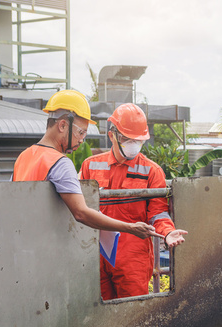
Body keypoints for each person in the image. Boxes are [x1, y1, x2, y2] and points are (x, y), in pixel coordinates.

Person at [13, 89, 160, 240]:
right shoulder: (60, 163)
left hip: (24, 242)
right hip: (48, 245)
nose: (82, 140)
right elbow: (81, 213)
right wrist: (130, 227)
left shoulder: (23, 157)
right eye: (81, 132)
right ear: (63, 126)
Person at [80, 103, 187, 300]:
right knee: (97, 317)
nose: (132, 144)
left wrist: (168, 232)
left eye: (137, 140)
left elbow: (158, 212)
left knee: (131, 314)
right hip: (94, 254)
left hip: (132, 258)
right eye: (126, 138)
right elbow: (79, 208)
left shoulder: (152, 171)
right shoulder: (90, 165)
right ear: (112, 135)